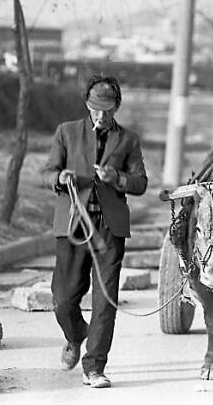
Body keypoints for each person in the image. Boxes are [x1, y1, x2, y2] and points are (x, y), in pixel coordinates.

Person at [41, 75, 148, 388]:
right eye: (94, 108)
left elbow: (140, 182)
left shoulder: (129, 140)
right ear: (87, 104)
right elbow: (47, 171)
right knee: (62, 300)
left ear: (117, 106)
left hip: (109, 229)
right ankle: (75, 335)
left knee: (105, 301)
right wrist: (60, 178)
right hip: (73, 224)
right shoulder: (67, 132)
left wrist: (115, 177)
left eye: (107, 109)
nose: (100, 115)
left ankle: (94, 366)